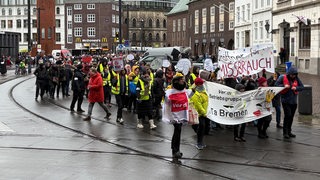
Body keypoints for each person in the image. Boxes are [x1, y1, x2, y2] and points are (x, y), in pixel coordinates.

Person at [163, 73, 194, 159]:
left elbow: (191, 94)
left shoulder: (184, 90)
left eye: (183, 79)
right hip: (174, 116)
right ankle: (175, 150)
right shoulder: (171, 91)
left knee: (178, 132)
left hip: (182, 116)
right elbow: (166, 102)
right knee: (177, 130)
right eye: (181, 79)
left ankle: (176, 150)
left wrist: (197, 85)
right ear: (177, 81)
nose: (183, 80)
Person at [276, 67, 304, 139]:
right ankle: (285, 133)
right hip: (285, 101)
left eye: (294, 75)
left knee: (291, 117)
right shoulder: (282, 77)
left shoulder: (296, 78)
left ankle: (289, 131)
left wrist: (296, 88)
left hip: (294, 101)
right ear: (289, 74)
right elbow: (276, 85)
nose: (293, 76)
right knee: (287, 115)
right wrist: (284, 86)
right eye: (292, 75)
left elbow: (302, 87)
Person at [190, 77, 209, 149]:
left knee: (202, 128)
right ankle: (199, 143)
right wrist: (204, 113)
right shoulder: (196, 94)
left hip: (203, 113)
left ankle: (200, 142)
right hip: (198, 114)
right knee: (201, 127)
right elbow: (198, 105)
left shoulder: (204, 92)